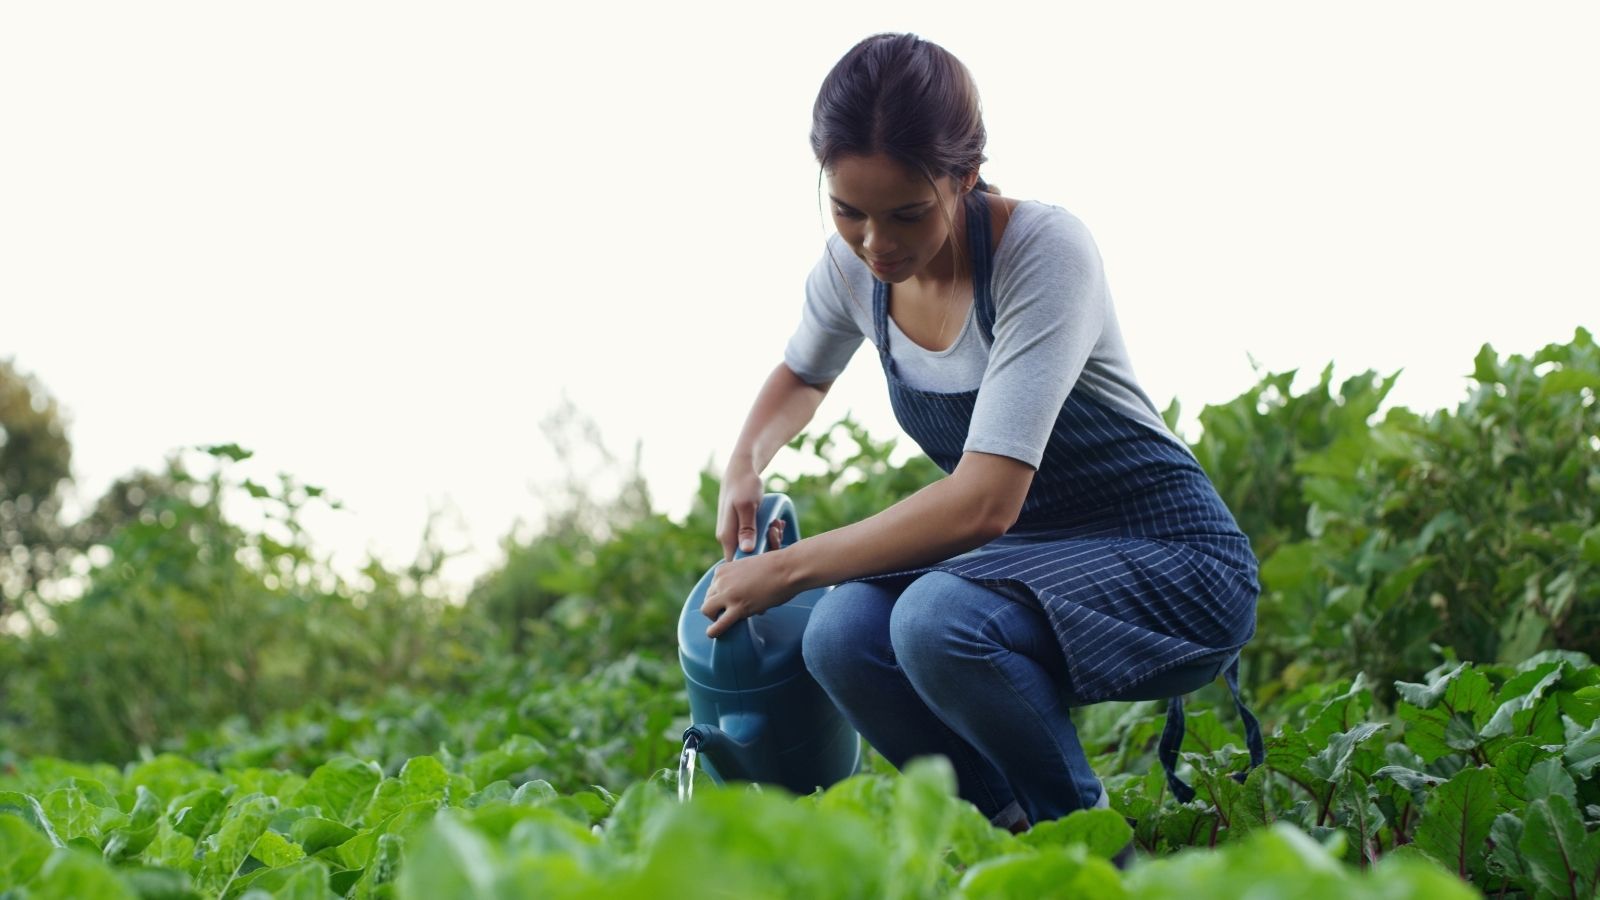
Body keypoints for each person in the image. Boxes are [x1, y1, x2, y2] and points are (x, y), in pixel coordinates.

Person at [698, 32, 1263, 858]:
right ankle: (1015, 831)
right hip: (1028, 561)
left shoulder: (1043, 252)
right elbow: (802, 373)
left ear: (964, 177)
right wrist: (746, 458)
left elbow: (986, 502)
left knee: (934, 621)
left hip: (1170, 557)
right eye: (848, 211)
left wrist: (784, 569)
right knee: (838, 634)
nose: (876, 244)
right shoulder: (854, 271)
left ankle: (1101, 856)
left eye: (906, 214)